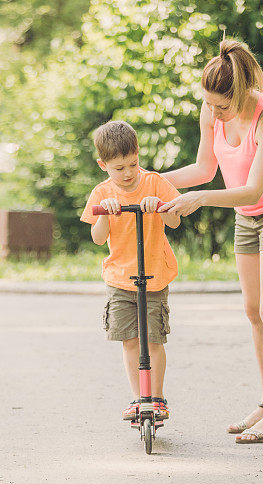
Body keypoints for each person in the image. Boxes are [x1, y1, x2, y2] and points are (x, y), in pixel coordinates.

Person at [160, 39, 263, 444]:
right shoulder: (213, 111)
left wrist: (200, 200)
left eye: (221, 106)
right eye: (208, 104)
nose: (213, 112)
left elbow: (253, 189)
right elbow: (205, 169)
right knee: (252, 311)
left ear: (242, 93)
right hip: (247, 218)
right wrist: (151, 181)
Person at [81, 120, 182, 421]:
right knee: (129, 340)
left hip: (154, 274)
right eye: (118, 168)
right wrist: (105, 214)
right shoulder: (101, 193)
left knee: (153, 339)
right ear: (103, 165)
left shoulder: (154, 183)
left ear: (138, 155)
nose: (127, 173)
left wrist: (162, 207)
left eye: (132, 164)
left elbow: (176, 221)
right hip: (120, 278)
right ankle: (140, 398)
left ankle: (157, 398)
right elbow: (98, 239)